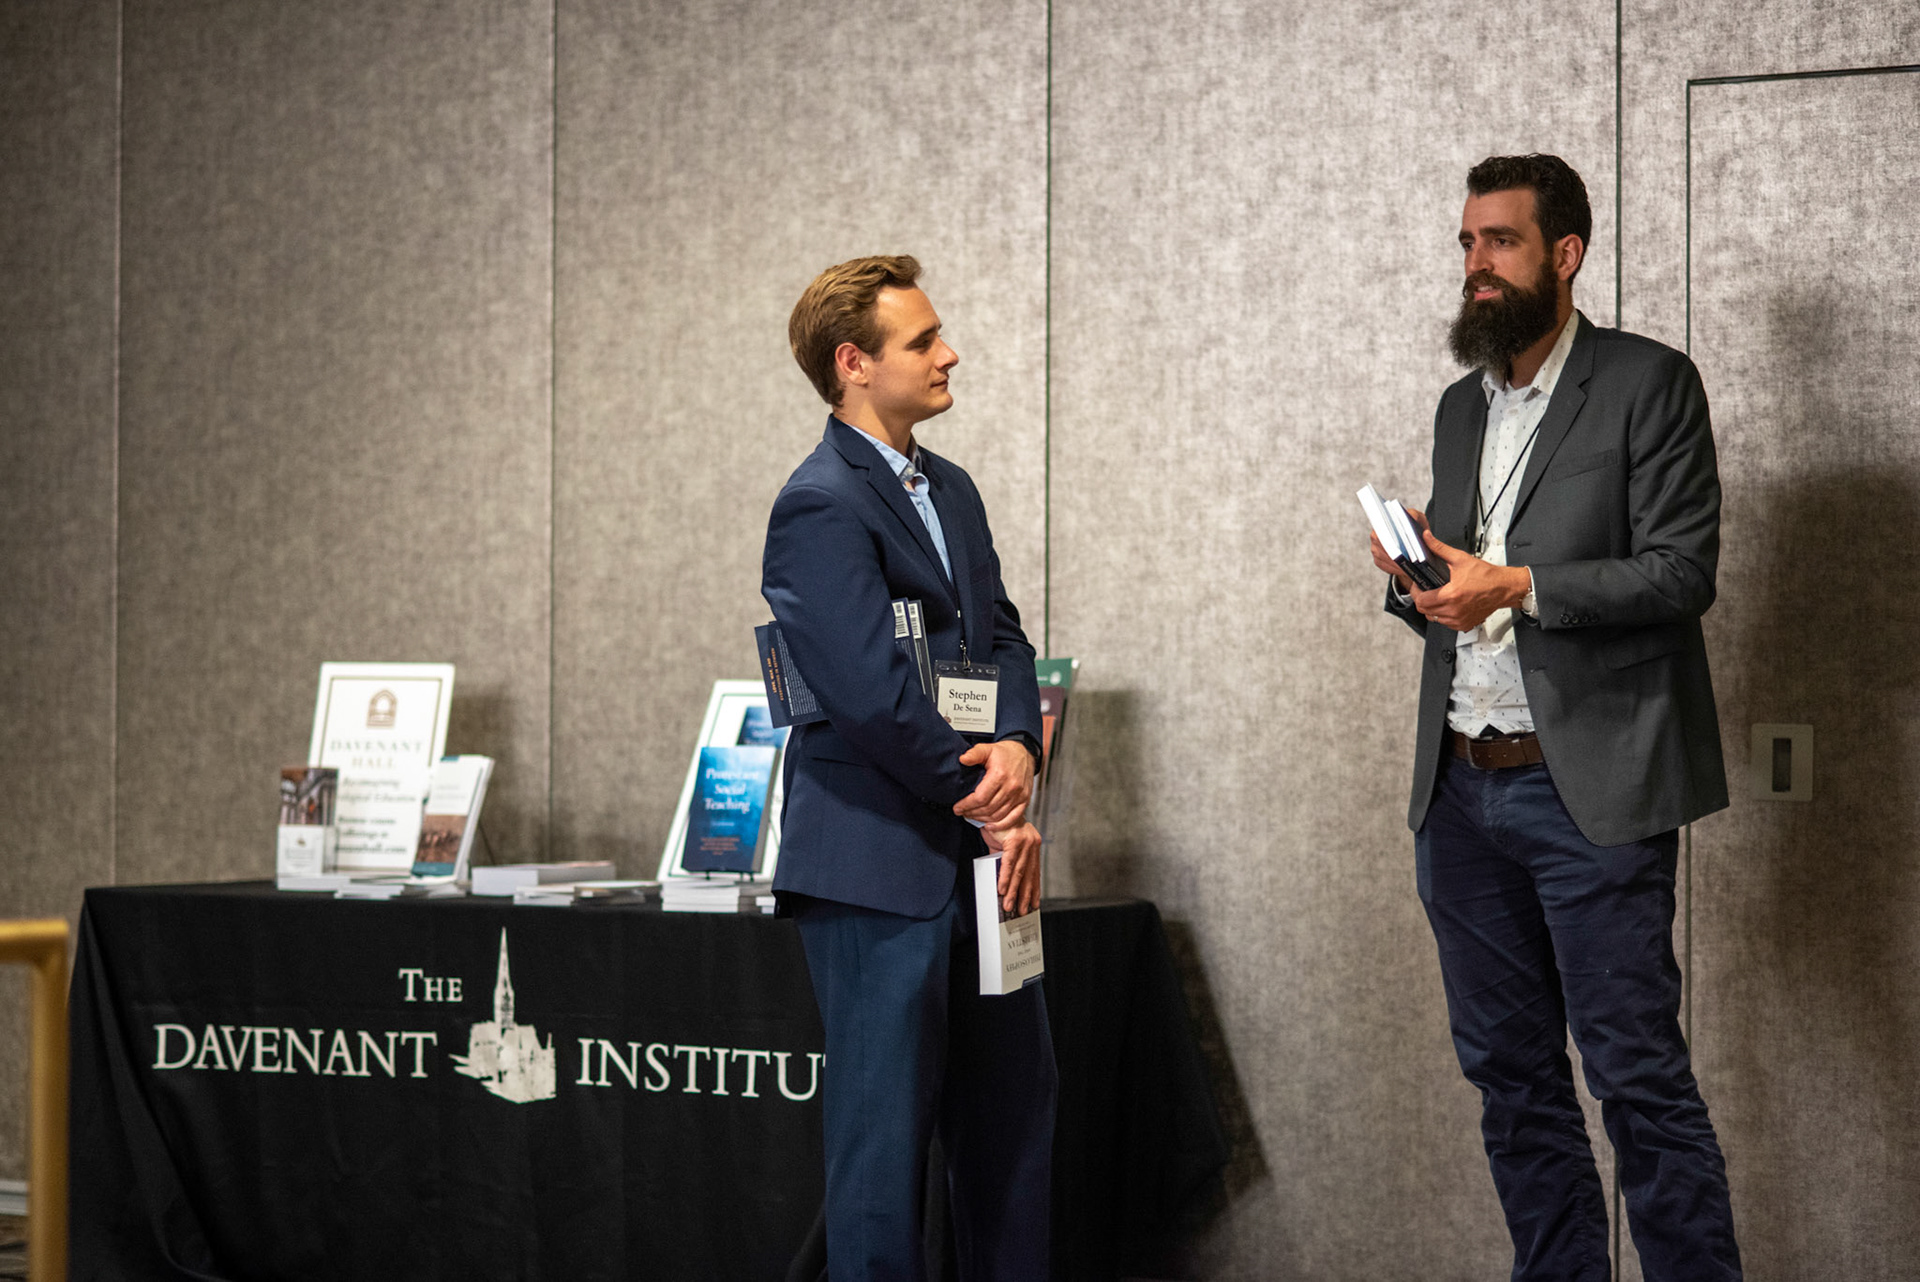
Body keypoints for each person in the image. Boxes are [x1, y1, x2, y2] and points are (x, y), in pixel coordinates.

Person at [1370, 154, 1743, 1280]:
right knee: (1513, 1083)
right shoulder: (1456, 405)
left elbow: (1683, 574)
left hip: (1592, 794)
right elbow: (1462, 601)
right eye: (1468, 243)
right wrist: (1418, 581)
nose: (1476, 264)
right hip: (1461, 795)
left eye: (1501, 242)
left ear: (1564, 255)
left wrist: (1517, 584)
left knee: (1636, 1079)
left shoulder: (1649, 383)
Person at [764, 255, 1055, 1280]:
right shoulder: (818, 504)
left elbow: (1007, 639)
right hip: (879, 865)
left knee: (1014, 1124)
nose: (950, 353)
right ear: (855, 365)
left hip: (987, 859)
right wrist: (986, 794)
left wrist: (1017, 748)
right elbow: (866, 691)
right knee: (883, 1156)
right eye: (924, 340)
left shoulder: (955, 489)